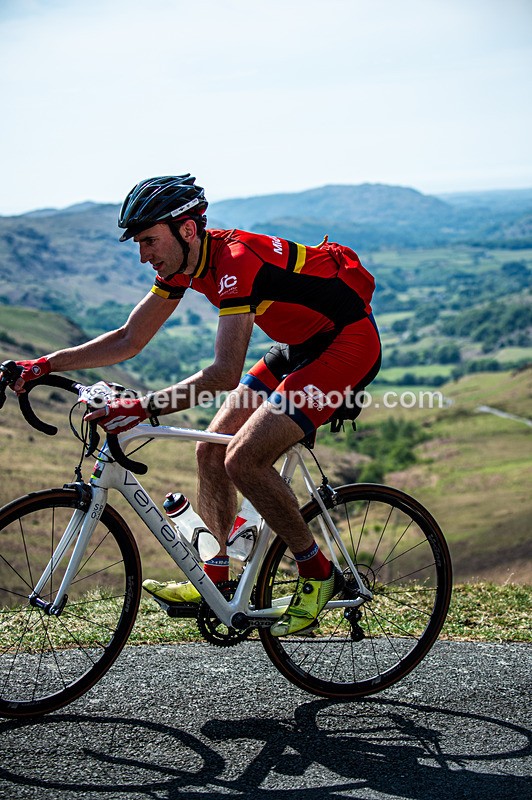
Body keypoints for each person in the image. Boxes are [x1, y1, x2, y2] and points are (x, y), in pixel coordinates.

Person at [13, 174, 381, 636]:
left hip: (347, 345)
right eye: (138, 244)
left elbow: (225, 373)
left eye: (149, 240)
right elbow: (130, 338)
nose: (144, 255)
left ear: (187, 230)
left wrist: (142, 407)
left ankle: (316, 572)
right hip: (299, 346)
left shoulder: (236, 263)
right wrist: (45, 364)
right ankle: (218, 576)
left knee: (243, 459)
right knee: (209, 449)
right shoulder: (183, 267)